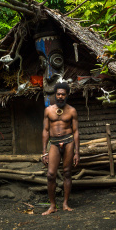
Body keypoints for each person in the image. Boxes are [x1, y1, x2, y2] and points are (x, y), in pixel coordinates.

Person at [41, 82, 80, 215]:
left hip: (68, 141)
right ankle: (52, 205)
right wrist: (44, 152)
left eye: (63, 94)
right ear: (55, 95)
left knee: (67, 172)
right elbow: (45, 131)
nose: (60, 96)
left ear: (67, 95)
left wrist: (77, 152)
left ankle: (65, 203)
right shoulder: (48, 110)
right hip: (54, 143)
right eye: (58, 94)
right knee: (51, 174)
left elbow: (75, 132)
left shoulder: (72, 111)